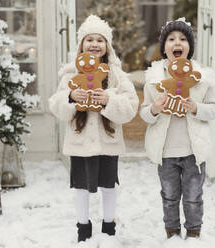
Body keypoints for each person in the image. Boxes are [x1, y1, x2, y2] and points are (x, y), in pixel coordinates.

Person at [48, 15, 138, 243]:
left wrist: (108, 99)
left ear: (107, 45)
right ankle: (83, 226)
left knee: (109, 185)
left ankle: (109, 226)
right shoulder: (70, 74)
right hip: (80, 141)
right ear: (81, 45)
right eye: (90, 39)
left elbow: (130, 105)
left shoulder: (116, 73)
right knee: (81, 187)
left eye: (100, 39)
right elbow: (55, 103)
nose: (95, 44)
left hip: (107, 141)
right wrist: (70, 96)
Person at [139, 18, 215, 239]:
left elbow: (214, 110)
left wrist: (196, 108)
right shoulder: (154, 79)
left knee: (194, 196)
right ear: (164, 48)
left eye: (183, 39)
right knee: (169, 195)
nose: (178, 42)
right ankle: (172, 232)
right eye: (171, 39)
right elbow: (144, 113)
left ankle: (194, 232)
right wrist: (155, 108)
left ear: (190, 47)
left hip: (194, 151)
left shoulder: (202, 78)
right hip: (165, 152)